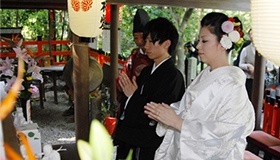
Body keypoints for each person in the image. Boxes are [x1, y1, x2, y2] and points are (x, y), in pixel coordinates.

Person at [144, 12, 255, 160]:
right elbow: (187, 109)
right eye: (198, 40)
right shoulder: (206, 74)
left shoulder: (234, 86)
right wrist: (166, 113)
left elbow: (225, 137)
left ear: (223, 43)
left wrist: (177, 122)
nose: (198, 46)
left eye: (204, 41)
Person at [113, 17, 185, 160]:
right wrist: (130, 97)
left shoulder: (173, 77)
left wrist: (133, 97)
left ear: (166, 44)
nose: (146, 46)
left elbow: (158, 114)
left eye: (151, 42)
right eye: (146, 41)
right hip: (134, 137)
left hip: (151, 143)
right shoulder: (146, 71)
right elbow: (132, 100)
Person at [116, 9, 153, 117]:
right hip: (129, 97)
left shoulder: (154, 58)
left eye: (142, 37)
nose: (139, 41)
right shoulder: (133, 56)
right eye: (136, 38)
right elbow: (123, 75)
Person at [238, 29, 255, 100]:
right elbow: (240, 64)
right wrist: (248, 66)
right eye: (251, 34)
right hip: (249, 79)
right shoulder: (246, 49)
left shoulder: (264, 49)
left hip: (262, 80)